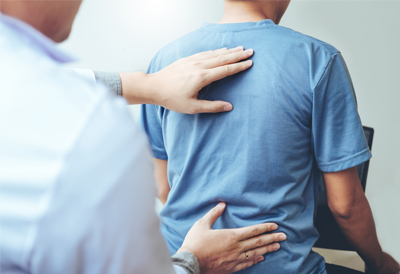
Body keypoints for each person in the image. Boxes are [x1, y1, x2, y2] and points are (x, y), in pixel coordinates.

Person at [0, 1, 288, 274]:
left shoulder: (166, 57)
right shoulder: (88, 131)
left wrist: (146, 84)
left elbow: (163, 187)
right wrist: (193, 262)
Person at [140, 0, 400, 273]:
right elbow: (345, 205)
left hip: (175, 261)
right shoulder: (318, 59)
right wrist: (379, 262)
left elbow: (162, 186)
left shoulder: (165, 60)